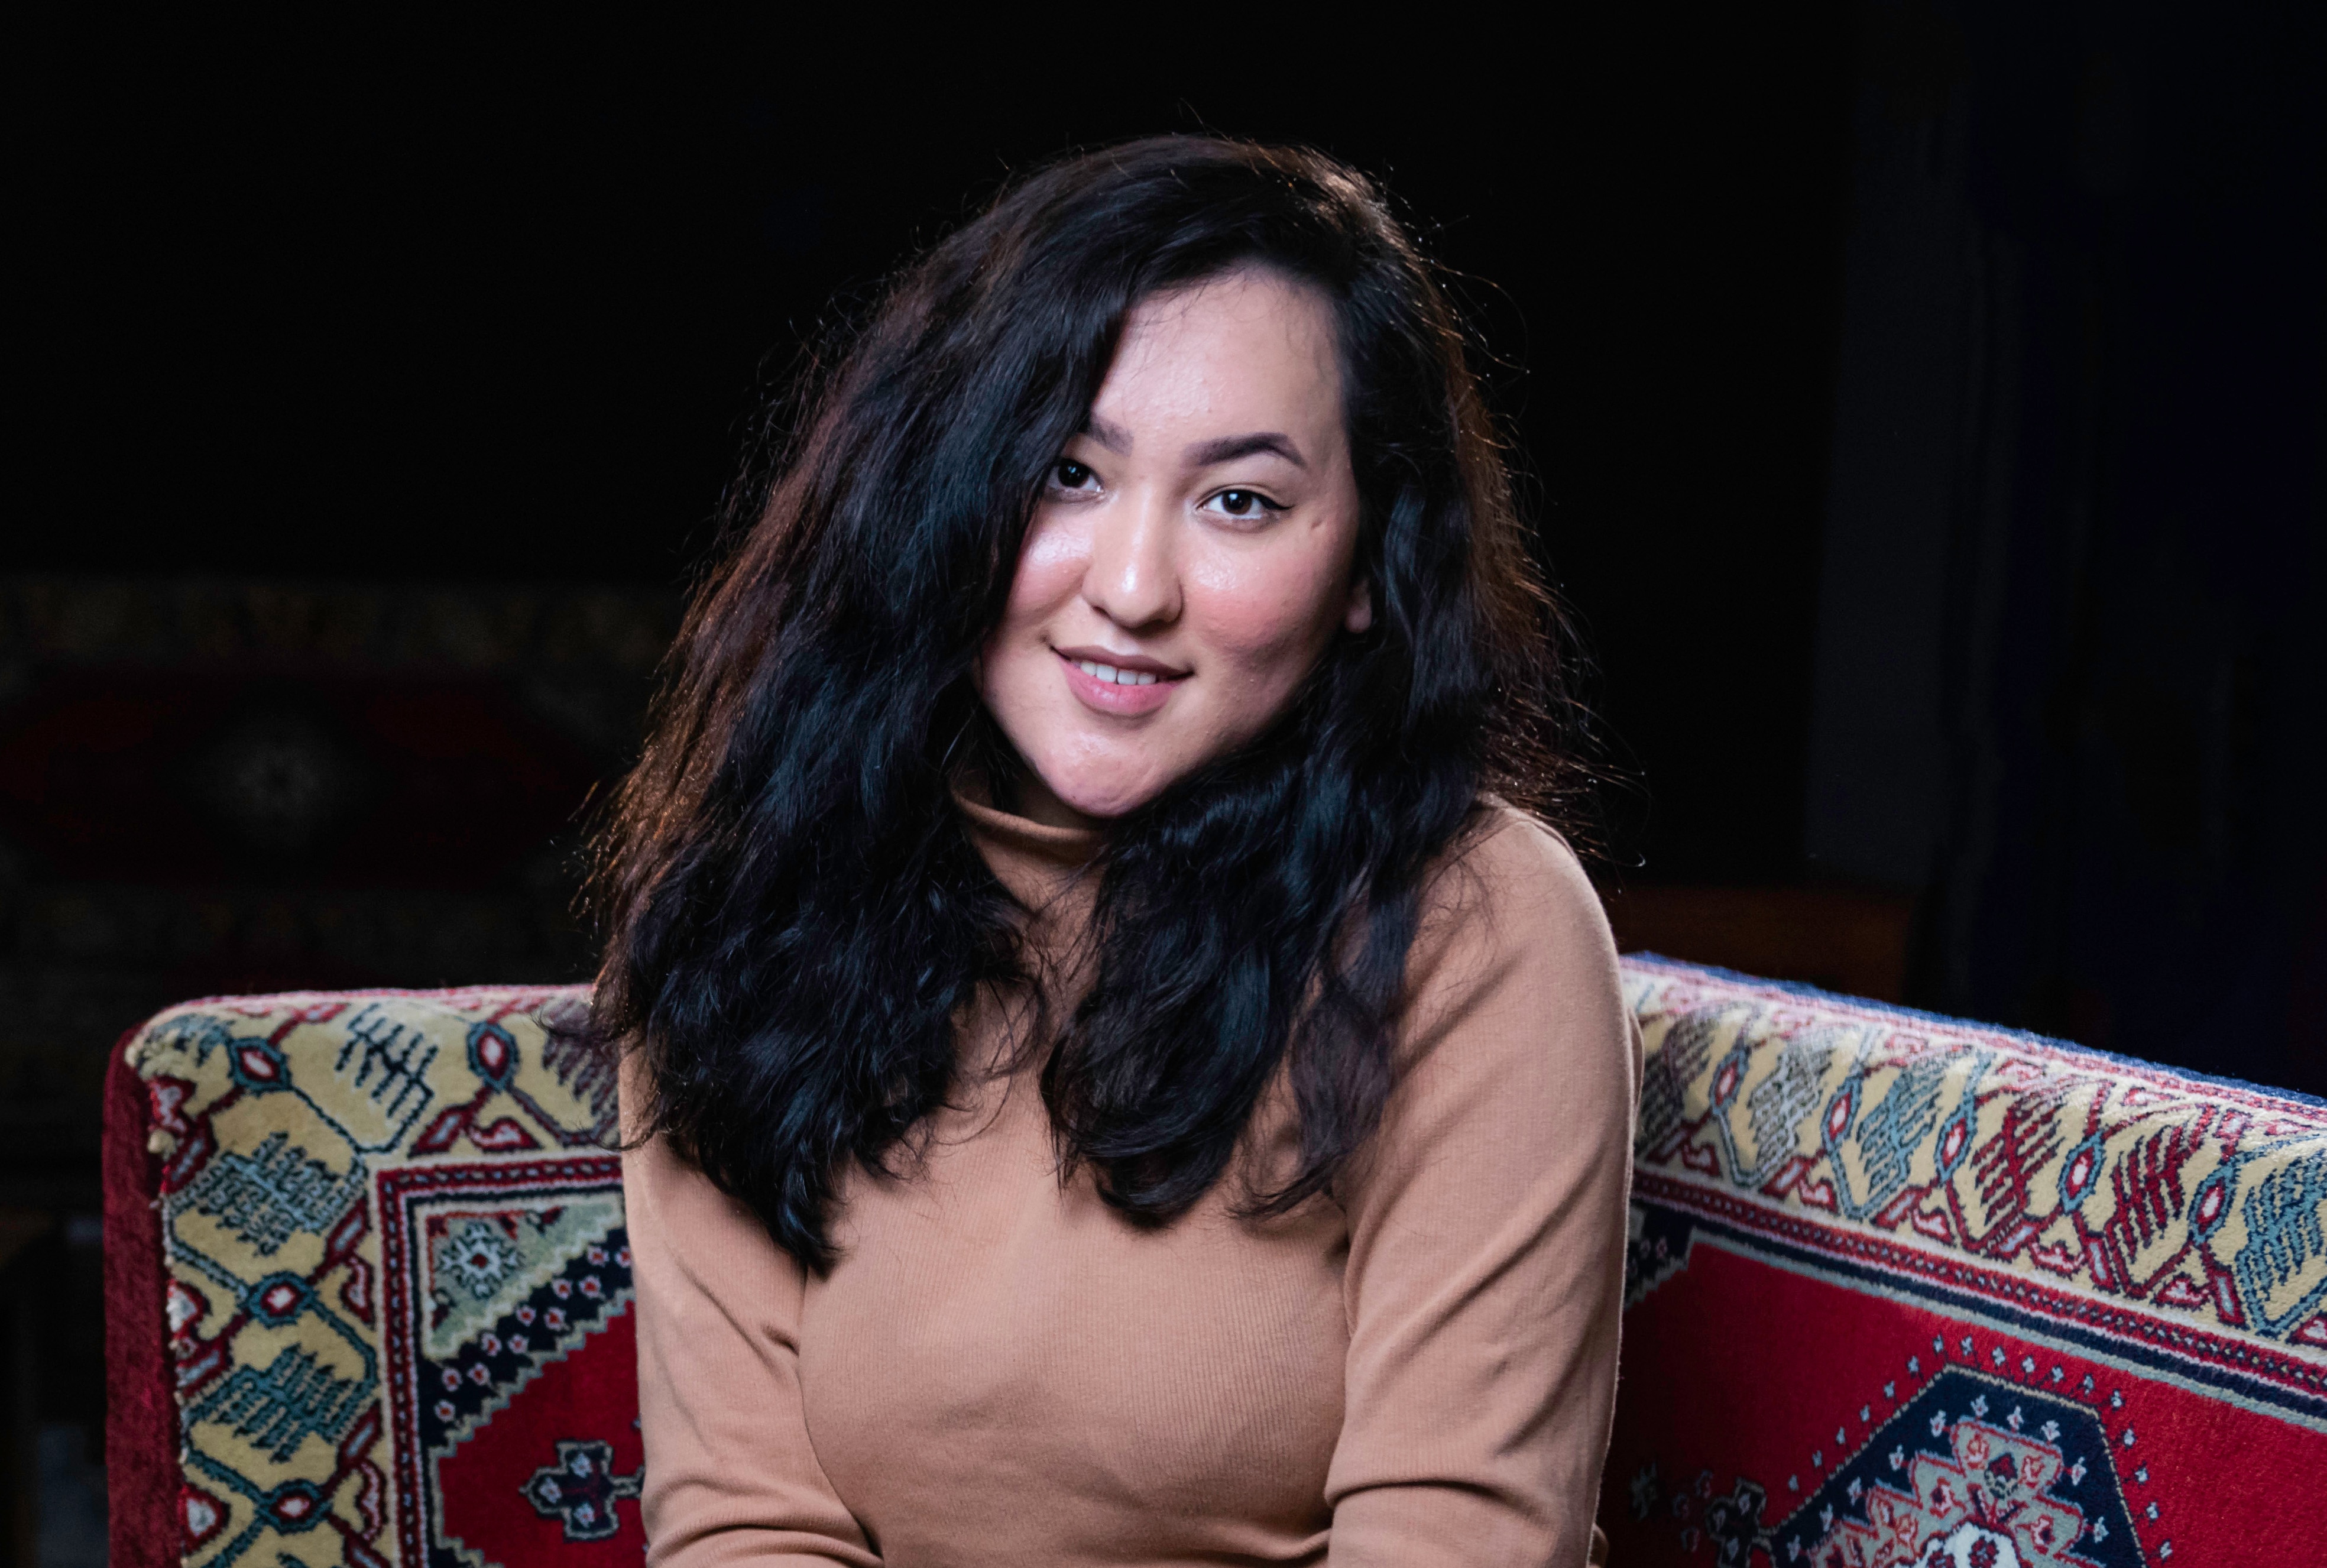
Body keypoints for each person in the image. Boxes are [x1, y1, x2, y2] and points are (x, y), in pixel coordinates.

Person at [588, 135, 1639, 1566]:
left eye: (1241, 502)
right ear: (945, 492)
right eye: (1068, 474)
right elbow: (744, 1526)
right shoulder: (750, 909)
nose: (1133, 589)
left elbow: (1458, 1543)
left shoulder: (1474, 925)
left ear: (1364, 565)